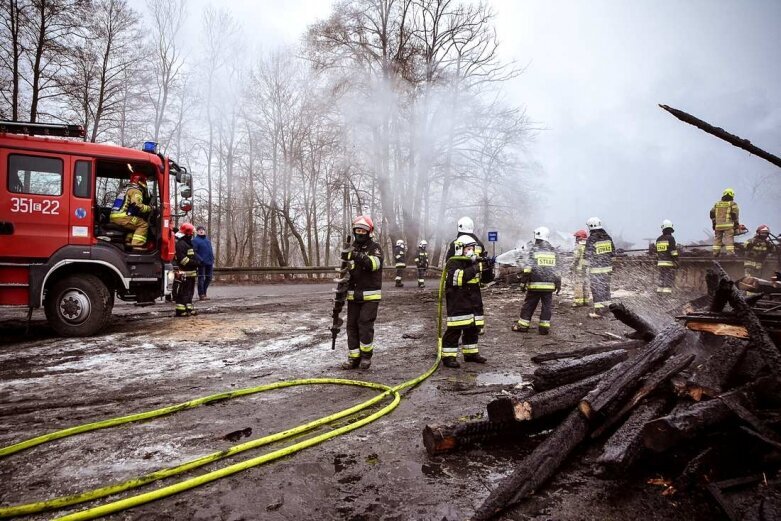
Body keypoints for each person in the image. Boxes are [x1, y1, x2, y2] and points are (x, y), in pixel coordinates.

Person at [442, 235, 490, 368]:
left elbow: (485, 280)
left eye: (472, 248)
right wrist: (476, 268)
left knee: (472, 328)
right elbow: (457, 279)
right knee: (455, 330)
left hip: (473, 300)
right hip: (458, 301)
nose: (471, 251)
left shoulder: (473, 262)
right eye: (468, 248)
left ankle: (471, 354)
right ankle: (448, 357)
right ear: (459, 249)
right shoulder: (453, 262)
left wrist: (488, 268)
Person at [343, 215, 383, 370]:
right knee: (351, 326)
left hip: (370, 296)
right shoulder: (351, 248)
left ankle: (366, 358)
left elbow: (374, 264)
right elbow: (346, 271)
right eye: (357, 230)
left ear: (369, 232)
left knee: (365, 325)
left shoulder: (375, 248)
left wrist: (357, 256)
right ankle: (354, 358)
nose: (359, 233)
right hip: (353, 295)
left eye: (362, 230)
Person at [446, 216, 491, 333]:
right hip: (474, 287)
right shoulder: (479, 244)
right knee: (474, 313)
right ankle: (476, 329)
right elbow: (485, 269)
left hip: (458, 287)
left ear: (459, 228)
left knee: (457, 321)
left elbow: (449, 265)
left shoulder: (455, 244)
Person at [512, 227, 561, 335]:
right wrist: (558, 283)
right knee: (546, 307)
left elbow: (528, 268)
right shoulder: (553, 251)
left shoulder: (534, 250)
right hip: (549, 286)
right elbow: (557, 270)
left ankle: (523, 326)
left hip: (535, 285)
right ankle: (544, 328)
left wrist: (523, 282)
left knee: (529, 305)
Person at [110, 172, 152, 250]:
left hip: (115, 216)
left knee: (134, 224)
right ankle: (137, 247)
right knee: (143, 224)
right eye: (145, 181)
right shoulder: (136, 190)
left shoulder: (126, 189)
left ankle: (128, 242)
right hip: (122, 217)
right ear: (140, 181)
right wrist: (149, 208)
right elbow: (136, 204)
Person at [584, 216, 615, 318]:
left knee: (597, 289)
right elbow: (612, 253)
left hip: (596, 270)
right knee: (606, 288)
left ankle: (598, 312)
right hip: (607, 269)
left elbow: (587, 255)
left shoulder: (591, 239)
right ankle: (607, 308)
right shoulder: (608, 237)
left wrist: (584, 268)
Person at [174, 223, 200, 317]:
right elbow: (183, 260)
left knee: (190, 292)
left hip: (191, 273)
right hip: (185, 273)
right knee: (183, 292)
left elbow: (192, 255)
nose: (193, 235)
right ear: (188, 233)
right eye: (192, 233)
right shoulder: (181, 244)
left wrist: (198, 261)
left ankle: (189, 308)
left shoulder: (188, 243)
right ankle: (181, 311)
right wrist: (195, 263)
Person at [710, 188, 739, 256]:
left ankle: (715, 253)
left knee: (717, 238)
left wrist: (714, 223)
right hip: (728, 225)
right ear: (732, 195)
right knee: (729, 238)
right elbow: (735, 214)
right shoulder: (732, 204)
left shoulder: (717, 204)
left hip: (718, 225)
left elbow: (711, 213)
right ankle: (730, 253)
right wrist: (736, 224)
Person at [655, 219, 679, 295]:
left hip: (660, 263)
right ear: (670, 229)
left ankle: (659, 294)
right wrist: (676, 260)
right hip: (668, 263)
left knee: (661, 278)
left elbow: (657, 252)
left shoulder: (658, 239)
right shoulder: (671, 238)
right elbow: (673, 252)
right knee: (668, 279)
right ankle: (667, 296)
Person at [193, 225, 215, 300]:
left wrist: (212, 258)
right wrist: (200, 259)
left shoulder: (207, 240)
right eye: (199, 230)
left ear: (204, 231)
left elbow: (210, 251)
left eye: (202, 229)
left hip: (209, 262)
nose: (201, 231)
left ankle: (204, 292)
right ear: (197, 231)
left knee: (209, 278)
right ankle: (201, 294)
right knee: (201, 278)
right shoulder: (195, 240)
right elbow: (194, 252)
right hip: (201, 263)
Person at [571, 229, 589, 307]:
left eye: (577, 237)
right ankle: (586, 301)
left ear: (579, 238)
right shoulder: (588, 246)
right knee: (586, 284)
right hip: (587, 268)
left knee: (578, 285)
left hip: (579, 268)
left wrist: (572, 266)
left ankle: (578, 302)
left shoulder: (578, 246)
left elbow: (576, 258)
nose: (576, 239)